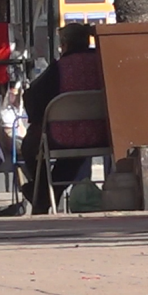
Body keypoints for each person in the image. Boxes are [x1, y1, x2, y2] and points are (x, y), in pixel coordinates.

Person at [20, 23, 103, 214]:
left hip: (63, 135)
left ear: (64, 43)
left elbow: (33, 96)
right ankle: (46, 196)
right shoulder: (101, 62)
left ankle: (41, 194)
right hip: (101, 133)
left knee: (30, 146)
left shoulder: (60, 67)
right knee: (76, 154)